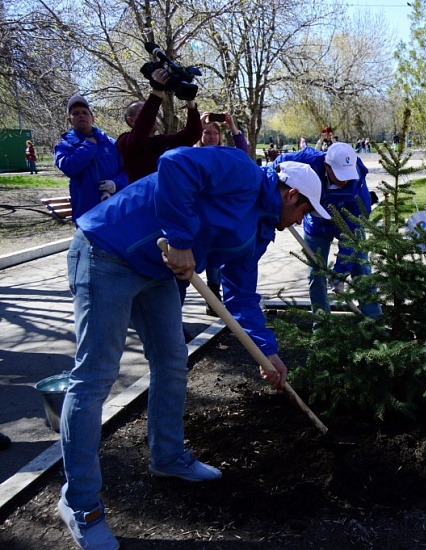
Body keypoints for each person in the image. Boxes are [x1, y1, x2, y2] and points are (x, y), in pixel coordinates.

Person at [57, 146, 329, 550]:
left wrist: (267, 352)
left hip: (155, 273)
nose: (302, 221)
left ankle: (166, 457)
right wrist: (182, 238)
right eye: (305, 211)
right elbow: (173, 163)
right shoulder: (241, 172)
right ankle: (79, 503)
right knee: (95, 376)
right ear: (291, 195)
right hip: (107, 252)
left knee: (172, 363)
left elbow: (241, 295)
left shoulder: (256, 231)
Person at [274, 142, 381, 318]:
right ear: (326, 165)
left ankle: (374, 320)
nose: (344, 180)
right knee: (316, 274)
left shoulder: (358, 189)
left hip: (348, 224)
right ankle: (322, 323)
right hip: (316, 225)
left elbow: (353, 234)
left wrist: (340, 272)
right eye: (339, 174)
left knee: (361, 268)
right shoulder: (306, 161)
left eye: (347, 174)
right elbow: (279, 162)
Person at [197, 112, 250, 316]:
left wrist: (233, 127)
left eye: (215, 133)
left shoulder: (223, 153)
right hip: (200, 212)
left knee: (217, 255)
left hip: (220, 211)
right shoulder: (195, 153)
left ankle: (215, 297)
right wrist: (198, 124)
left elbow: (242, 151)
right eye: (207, 132)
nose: (211, 136)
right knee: (204, 256)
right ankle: (210, 294)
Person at [116, 67, 201, 183]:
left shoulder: (162, 141)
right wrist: (157, 91)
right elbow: (141, 129)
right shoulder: (125, 142)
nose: (153, 115)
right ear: (131, 121)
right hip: (145, 199)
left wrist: (190, 101)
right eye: (143, 111)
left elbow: (193, 134)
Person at [54, 95, 129, 221]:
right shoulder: (64, 146)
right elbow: (69, 168)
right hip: (86, 213)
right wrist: (88, 146)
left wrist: (116, 184)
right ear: (69, 120)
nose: (81, 116)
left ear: (92, 118)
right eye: (76, 113)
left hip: (115, 208)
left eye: (85, 112)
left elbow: (127, 171)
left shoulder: (110, 143)